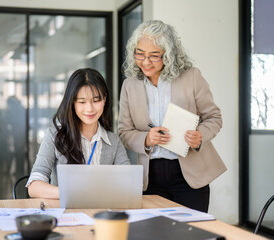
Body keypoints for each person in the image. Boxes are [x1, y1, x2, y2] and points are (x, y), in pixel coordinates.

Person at [118, 20, 227, 212]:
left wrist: (200, 135)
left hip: (189, 175)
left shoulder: (191, 77)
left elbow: (214, 117)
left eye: (154, 56)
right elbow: (124, 131)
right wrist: (146, 139)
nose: (145, 62)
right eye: (140, 54)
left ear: (168, 54)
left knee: (191, 233)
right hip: (150, 177)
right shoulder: (130, 85)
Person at [26, 68, 130, 199]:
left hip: (101, 213)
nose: (90, 108)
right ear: (72, 103)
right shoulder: (54, 136)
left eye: (96, 100)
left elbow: (128, 183)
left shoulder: (113, 141)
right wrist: (72, 194)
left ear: (104, 99)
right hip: (67, 214)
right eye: (82, 102)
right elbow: (34, 187)